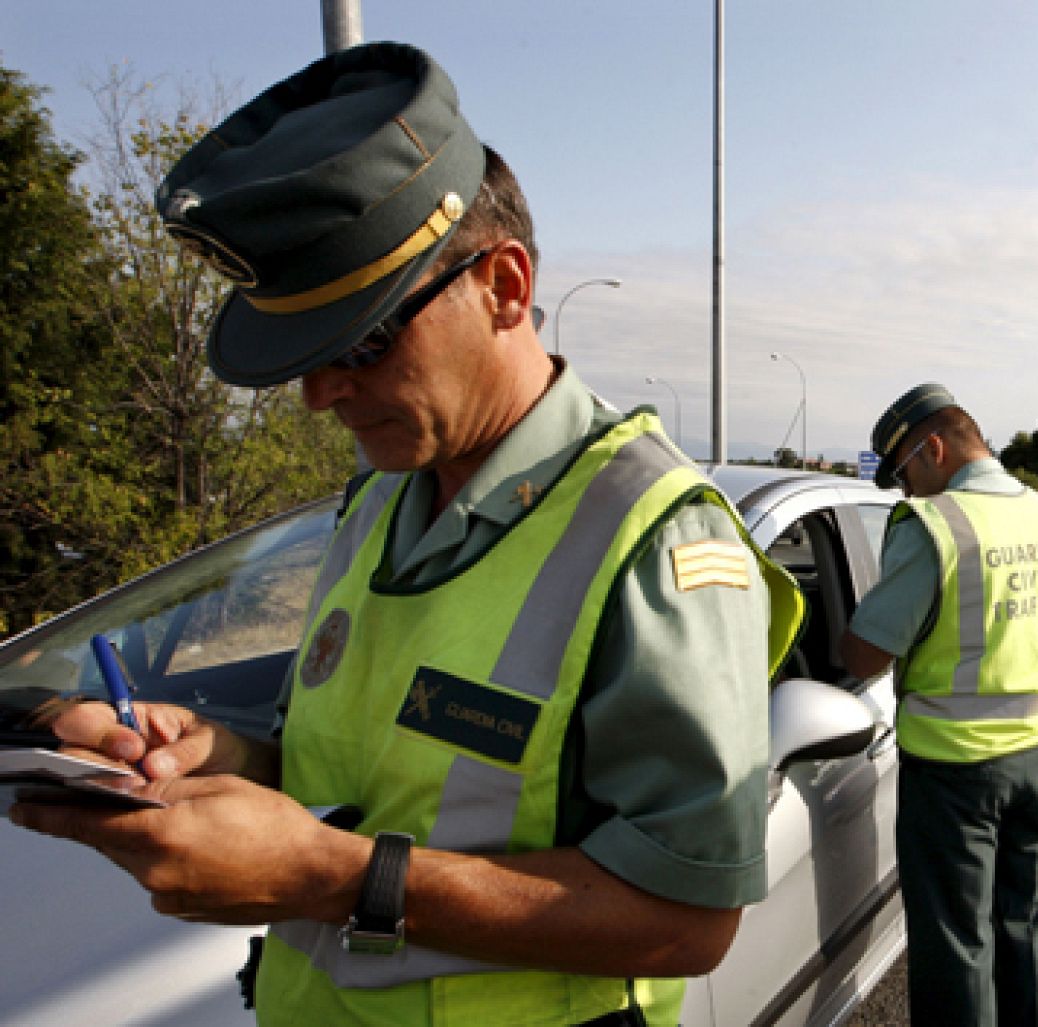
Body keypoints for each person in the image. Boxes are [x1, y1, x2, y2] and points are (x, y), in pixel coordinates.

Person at [8, 42, 802, 1026]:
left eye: (363, 341)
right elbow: (342, 773)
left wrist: (340, 879)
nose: (318, 394)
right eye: (305, 354)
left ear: (505, 287)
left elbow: (687, 920)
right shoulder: (380, 500)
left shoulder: (655, 541)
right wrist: (203, 750)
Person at [840, 384, 1038, 1027]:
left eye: (905, 473)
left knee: (956, 944)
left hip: (955, 772)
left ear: (935, 448)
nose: (906, 492)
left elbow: (867, 655)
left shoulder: (935, 526)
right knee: (1027, 924)